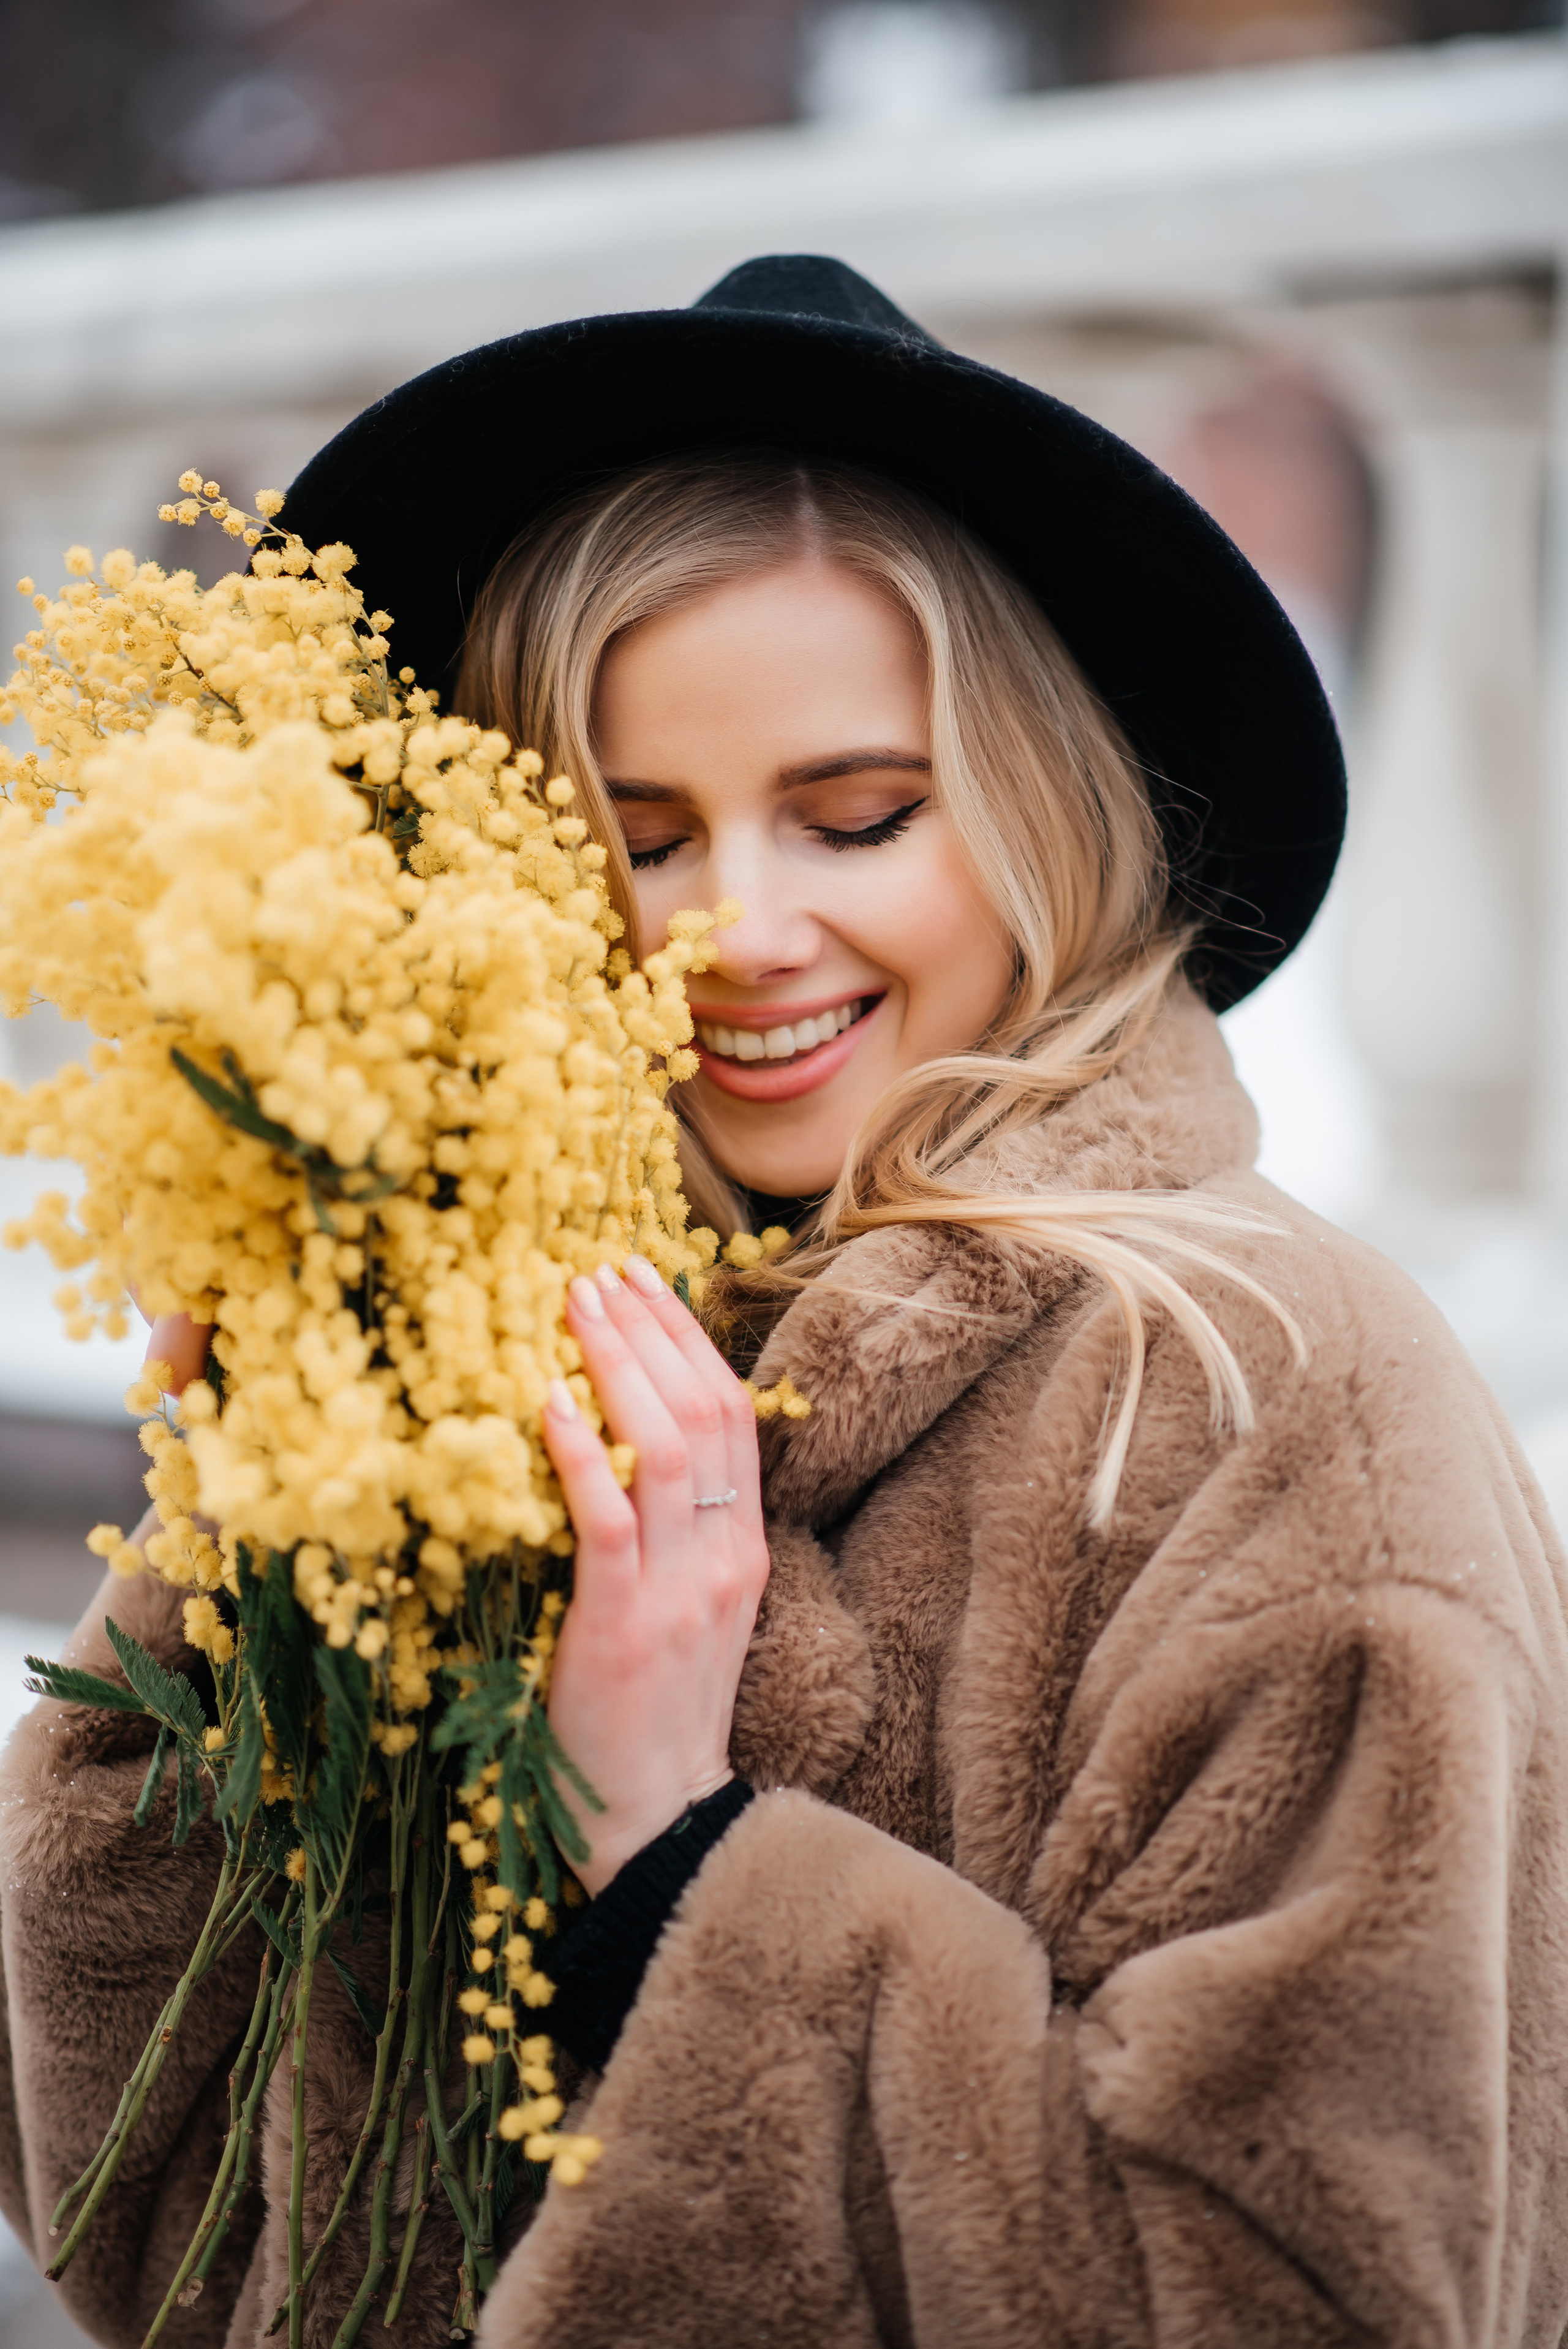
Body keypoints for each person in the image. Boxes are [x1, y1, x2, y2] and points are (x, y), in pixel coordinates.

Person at [3, 255, 1567, 2348]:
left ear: (1040, 817)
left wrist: (669, 1856)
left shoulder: (1277, 1399)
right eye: (635, 835)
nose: (737, 930)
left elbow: (1307, 2291)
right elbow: (169, 2229)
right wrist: (226, 1578)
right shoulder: (471, 1380)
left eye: (856, 816)